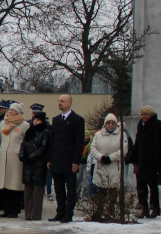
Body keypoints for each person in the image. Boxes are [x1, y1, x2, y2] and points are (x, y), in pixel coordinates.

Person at [47, 94, 86, 223]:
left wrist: (76, 161)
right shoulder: (56, 119)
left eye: (62, 101)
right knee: (58, 189)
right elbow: (52, 141)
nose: (60, 103)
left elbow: (79, 142)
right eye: (59, 101)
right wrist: (49, 159)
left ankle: (68, 214)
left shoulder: (77, 120)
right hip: (57, 160)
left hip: (69, 161)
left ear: (69, 103)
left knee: (70, 190)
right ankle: (60, 212)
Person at [88, 113, 130, 219]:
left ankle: (110, 211)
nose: (110, 125)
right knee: (101, 191)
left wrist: (111, 157)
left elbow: (124, 149)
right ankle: (99, 211)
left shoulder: (121, 135)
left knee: (113, 191)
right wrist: (101, 157)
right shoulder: (98, 135)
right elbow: (93, 148)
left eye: (113, 123)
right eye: (108, 123)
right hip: (101, 166)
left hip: (114, 166)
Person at [132, 105, 161, 219]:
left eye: (146, 114)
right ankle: (144, 207)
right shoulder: (141, 125)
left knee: (153, 186)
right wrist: (133, 157)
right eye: (142, 114)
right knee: (141, 186)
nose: (144, 116)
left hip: (154, 161)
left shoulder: (159, 125)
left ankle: (155, 207)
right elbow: (137, 142)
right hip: (141, 161)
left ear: (151, 115)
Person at [0, 102, 27, 218]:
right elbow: (0, 138)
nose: (9, 112)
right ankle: (7, 209)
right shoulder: (3, 124)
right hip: (4, 156)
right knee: (5, 184)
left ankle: (14, 209)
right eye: (9, 110)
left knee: (15, 184)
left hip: (16, 157)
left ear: (18, 113)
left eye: (12, 111)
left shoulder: (24, 125)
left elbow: (24, 141)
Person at [20, 112, 51, 221]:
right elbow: (23, 144)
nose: (35, 122)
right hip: (28, 165)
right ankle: (28, 215)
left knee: (37, 192)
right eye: (34, 120)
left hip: (39, 165)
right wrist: (23, 156)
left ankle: (36, 215)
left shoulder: (45, 132)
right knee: (28, 192)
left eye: (38, 120)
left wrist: (32, 157)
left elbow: (43, 148)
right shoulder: (29, 131)